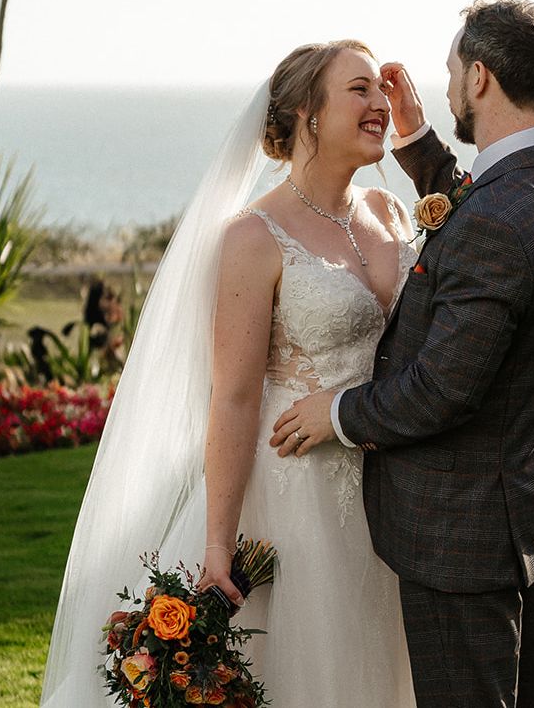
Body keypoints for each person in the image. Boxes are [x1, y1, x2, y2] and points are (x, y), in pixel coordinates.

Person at [41, 40, 417, 707]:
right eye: (359, 89)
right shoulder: (253, 237)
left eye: (380, 91)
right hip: (295, 497)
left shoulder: (389, 214)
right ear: (306, 112)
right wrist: (217, 544)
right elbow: (236, 398)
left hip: (392, 490)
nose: (380, 104)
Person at [271, 0, 534, 706]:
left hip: (466, 528)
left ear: (479, 78)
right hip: (532, 492)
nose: (449, 81)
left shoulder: (497, 220)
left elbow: (439, 390)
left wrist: (333, 411)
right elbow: (484, 214)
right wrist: (419, 141)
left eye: (453, 70)